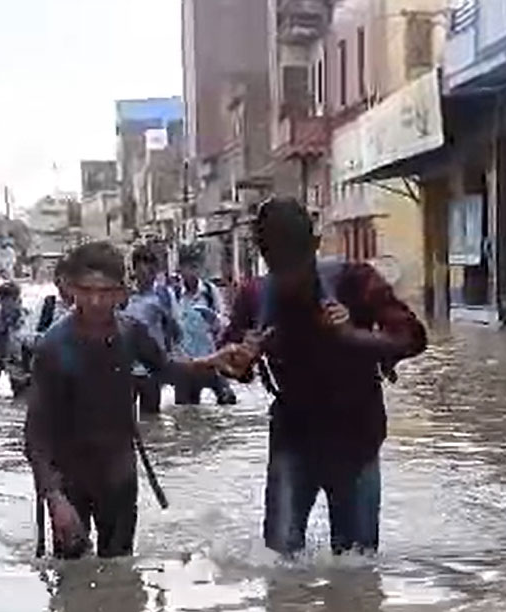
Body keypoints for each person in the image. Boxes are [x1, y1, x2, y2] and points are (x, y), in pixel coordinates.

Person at [222, 197, 427, 557]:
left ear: (315, 249)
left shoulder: (356, 281)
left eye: (296, 265)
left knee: (357, 563)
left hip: (357, 436)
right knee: (278, 559)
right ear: (265, 258)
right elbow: (227, 361)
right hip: (293, 436)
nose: (290, 278)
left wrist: (353, 335)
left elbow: (413, 337)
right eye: (278, 266)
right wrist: (241, 360)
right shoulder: (255, 296)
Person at [25, 242, 245, 559]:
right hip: (69, 476)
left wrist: (213, 361)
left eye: (106, 292)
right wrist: (54, 498)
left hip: (119, 472)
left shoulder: (131, 333)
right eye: (87, 291)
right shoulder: (53, 347)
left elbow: (168, 369)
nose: (97, 301)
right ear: (72, 290)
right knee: (70, 583)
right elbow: (36, 434)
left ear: (121, 293)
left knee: (122, 576)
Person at [172, 245, 237, 405]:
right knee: (186, 411)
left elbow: (224, 323)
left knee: (228, 401)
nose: (192, 272)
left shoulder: (209, 291)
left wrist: (213, 318)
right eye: (188, 267)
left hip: (211, 360)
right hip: (187, 364)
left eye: (195, 267)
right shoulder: (174, 294)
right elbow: (170, 328)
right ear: (181, 269)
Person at [122, 245, 181, 416]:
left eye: (149, 270)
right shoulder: (126, 296)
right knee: (126, 416)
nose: (145, 275)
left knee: (151, 416)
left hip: (151, 368)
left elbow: (175, 329)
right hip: (127, 368)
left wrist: (169, 356)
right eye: (141, 270)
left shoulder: (163, 295)